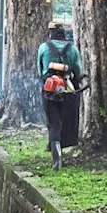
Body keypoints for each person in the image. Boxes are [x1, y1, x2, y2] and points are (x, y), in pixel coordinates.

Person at [37, 21, 83, 170]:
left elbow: (40, 71)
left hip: (49, 91)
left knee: (54, 123)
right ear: (64, 34)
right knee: (67, 120)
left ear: (50, 33)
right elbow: (78, 71)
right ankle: (63, 146)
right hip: (68, 90)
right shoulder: (73, 49)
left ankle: (56, 153)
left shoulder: (44, 47)